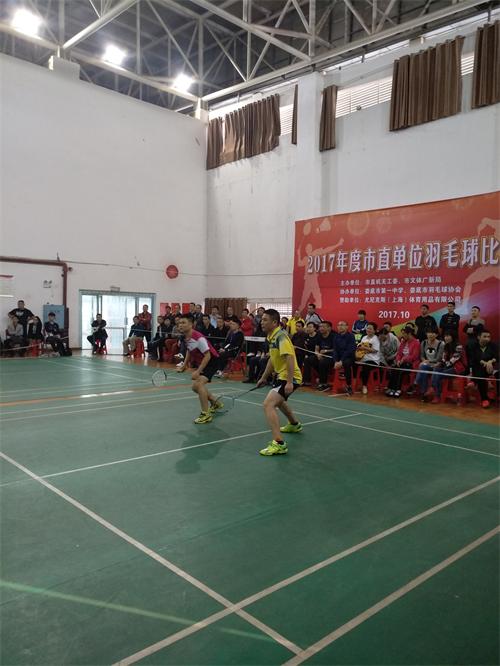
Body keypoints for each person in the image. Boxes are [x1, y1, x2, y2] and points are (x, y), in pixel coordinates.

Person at [255, 309, 302, 456]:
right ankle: (294, 424)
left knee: (268, 404)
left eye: (265, 320)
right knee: (279, 401)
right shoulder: (271, 336)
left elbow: (290, 357)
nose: (262, 322)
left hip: (289, 377)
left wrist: (289, 382)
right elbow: (272, 358)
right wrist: (263, 377)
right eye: (262, 319)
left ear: (275, 322)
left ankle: (279, 443)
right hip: (282, 376)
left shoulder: (281, 337)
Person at [176, 314, 222, 424]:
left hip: (212, 361)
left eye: (183, 323)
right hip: (203, 361)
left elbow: (208, 355)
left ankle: (205, 414)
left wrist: (198, 371)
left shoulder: (198, 338)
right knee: (195, 387)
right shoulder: (185, 337)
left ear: (191, 324)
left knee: (198, 384)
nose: (180, 325)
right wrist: (184, 365)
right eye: (179, 323)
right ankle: (215, 403)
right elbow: (189, 350)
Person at [430, 332, 467, 403]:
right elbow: (444, 358)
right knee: (436, 369)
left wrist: (444, 366)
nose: (446, 338)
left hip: (459, 368)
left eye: (448, 336)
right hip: (448, 367)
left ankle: (437, 395)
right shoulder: (446, 346)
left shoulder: (459, 346)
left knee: (439, 375)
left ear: (453, 337)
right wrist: (439, 364)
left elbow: (454, 359)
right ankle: (433, 388)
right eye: (445, 336)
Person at [386, 325, 421, 397]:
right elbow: (399, 354)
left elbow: (414, 356)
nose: (402, 335)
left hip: (411, 364)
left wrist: (404, 359)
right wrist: (398, 360)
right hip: (401, 362)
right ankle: (391, 388)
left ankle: (398, 389)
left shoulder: (416, 343)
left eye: (404, 333)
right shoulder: (403, 342)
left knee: (400, 370)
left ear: (409, 334)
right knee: (394, 368)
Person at [302, 320, 335, 391]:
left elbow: (336, 349)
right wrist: (317, 354)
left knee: (322, 362)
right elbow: (316, 349)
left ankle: (323, 383)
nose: (321, 328)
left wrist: (326, 351)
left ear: (329, 328)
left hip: (331, 357)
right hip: (320, 356)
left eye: (323, 327)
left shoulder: (334, 336)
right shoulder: (319, 336)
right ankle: (307, 381)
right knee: (308, 360)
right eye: (320, 327)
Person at [469, 330, 498, 408]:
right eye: (484, 336)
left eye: (488, 337)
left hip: (490, 368)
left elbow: (497, 357)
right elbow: (474, 358)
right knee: (480, 374)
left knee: (481, 374)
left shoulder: (493, 345)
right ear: (479, 337)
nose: (487, 338)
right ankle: (484, 399)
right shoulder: (473, 346)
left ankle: (474, 381)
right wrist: (485, 363)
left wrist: (490, 362)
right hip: (478, 367)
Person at [412, 330, 445, 399]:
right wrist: (424, 361)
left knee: (424, 367)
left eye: (433, 333)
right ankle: (423, 392)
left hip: (437, 364)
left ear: (436, 335)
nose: (430, 334)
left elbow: (439, 358)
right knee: (423, 368)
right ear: (426, 334)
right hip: (427, 363)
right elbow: (422, 356)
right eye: (429, 332)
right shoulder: (423, 342)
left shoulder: (441, 344)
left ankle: (416, 382)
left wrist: (428, 361)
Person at [332, 321, 356, 394]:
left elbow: (349, 350)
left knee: (346, 363)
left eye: (342, 325)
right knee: (325, 361)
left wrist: (341, 361)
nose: (340, 327)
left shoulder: (351, 336)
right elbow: (335, 350)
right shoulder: (336, 336)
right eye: (338, 325)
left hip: (349, 357)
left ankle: (349, 385)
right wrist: (336, 361)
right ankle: (324, 383)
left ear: (347, 327)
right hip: (339, 358)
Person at [358, 323, 381, 394]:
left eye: (370, 329)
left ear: (374, 330)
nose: (368, 330)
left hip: (373, 360)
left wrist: (364, 348)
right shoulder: (364, 337)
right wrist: (359, 347)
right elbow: (360, 347)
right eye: (367, 328)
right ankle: (352, 384)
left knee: (366, 366)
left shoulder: (376, 338)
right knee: (352, 362)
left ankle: (364, 386)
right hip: (363, 358)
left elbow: (375, 350)